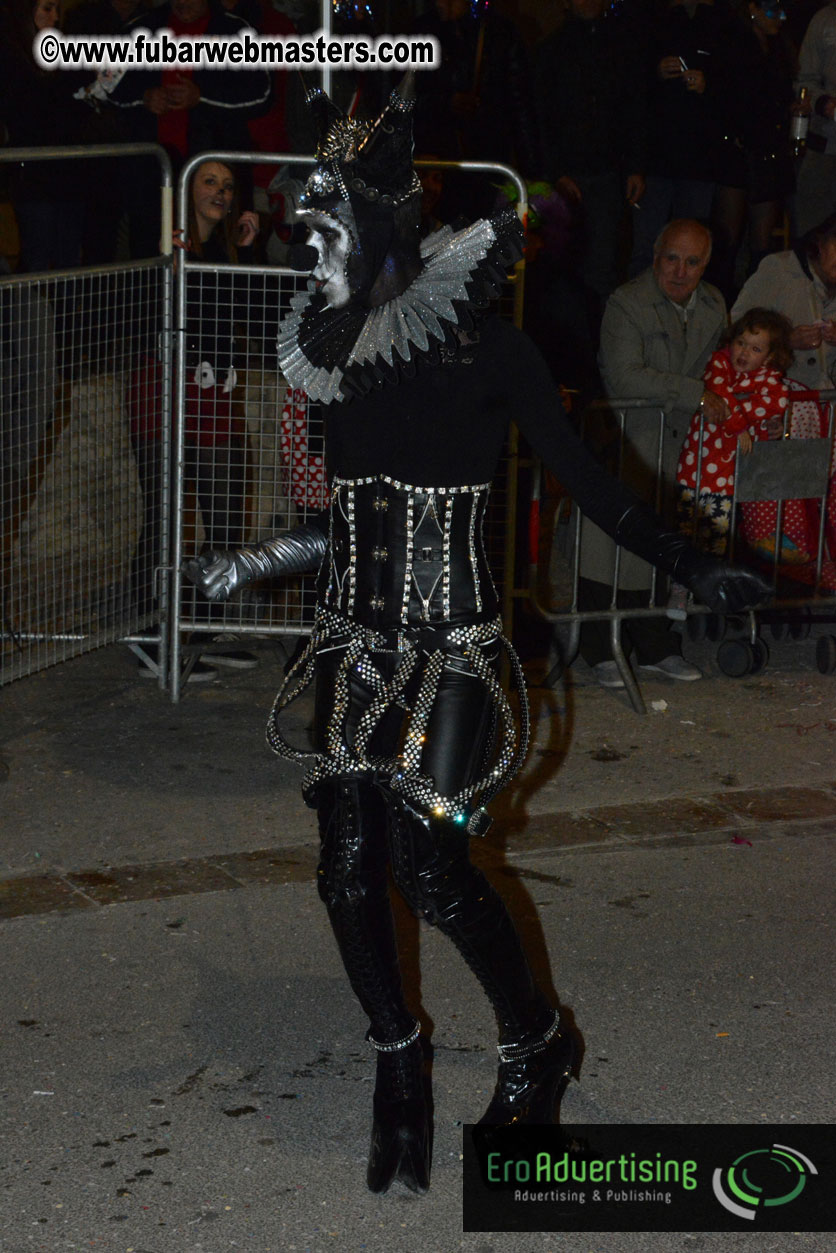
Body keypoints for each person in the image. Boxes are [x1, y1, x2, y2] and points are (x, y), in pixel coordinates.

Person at [183, 80, 767, 1194]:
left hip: (451, 653)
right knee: (347, 873)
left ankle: (535, 1038)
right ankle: (396, 1056)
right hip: (352, 645)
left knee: (430, 869)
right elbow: (347, 519)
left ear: (383, 220)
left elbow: (586, 477)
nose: (312, 244)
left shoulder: (489, 352)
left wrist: (689, 561)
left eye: (329, 221)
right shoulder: (335, 356)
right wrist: (247, 562)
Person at [583, 218, 728, 687]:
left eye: (692, 261)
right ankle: (600, 648)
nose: (680, 271)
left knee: (665, 544)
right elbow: (625, 378)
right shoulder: (626, 304)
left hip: (686, 445)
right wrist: (696, 394)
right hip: (628, 439)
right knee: (609, 547)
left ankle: (656, 646)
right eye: (672, 258)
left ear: (706, 264)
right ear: (654, 255)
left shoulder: (713, 305)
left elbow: (721, 372)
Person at [129, 159, 260, 679]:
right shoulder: (167, 239)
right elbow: (176, 308)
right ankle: (149, 638)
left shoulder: (224, 247)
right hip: (168, 386)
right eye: (211, 182)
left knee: (227, 516)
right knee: (165, 517)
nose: (222, 194)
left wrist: (247, 252)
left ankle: (198, 631)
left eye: (228, 187)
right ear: (187, 187)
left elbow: (249, 314)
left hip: (215, 393)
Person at [107, 0, 271, 258]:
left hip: (212, 169)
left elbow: (261, 94)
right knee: (150, 249)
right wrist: (144, 97)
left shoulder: (235, 31)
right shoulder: (141, 29)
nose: (183, 3)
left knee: (216, 250)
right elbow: (109, 88)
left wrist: (202, 97)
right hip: (153, 173)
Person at [673, 308, 792, 566]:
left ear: (770, 356)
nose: (744, 352)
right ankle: (680, 592)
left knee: (716, 540)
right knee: (684, 537)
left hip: (727, 477)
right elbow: (719, 393)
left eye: (755, 349)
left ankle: (708, 597)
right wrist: (739, 424)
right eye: (740, 343)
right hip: (694, 468)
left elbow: (774, 403)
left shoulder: (771, 380)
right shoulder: (718, 363)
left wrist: (745, 416)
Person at [629, 0, 735, 277]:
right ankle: (638, 316)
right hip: (655, 160)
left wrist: (707, 84)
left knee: (691, 249)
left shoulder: (721, 21)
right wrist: (657, 71)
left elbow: (737, 87)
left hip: (699, 161)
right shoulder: (649, 18)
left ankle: (683, 317)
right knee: (647, 247)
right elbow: (629, 88)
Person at [708, 0, 796, 303]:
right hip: (737, 152)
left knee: (762, 244)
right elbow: (724, 97)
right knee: (727, 241)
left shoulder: (780, 51)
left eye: (783, 11)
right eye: (773, 11)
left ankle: (755, 306)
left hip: (768, 153)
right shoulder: (734, 45)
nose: (780, 19)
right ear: (753, 9)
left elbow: (779, 98)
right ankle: (720, 305)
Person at [0, 0, 90, 272]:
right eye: (47, 9)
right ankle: (31, 314)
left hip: (67, 171)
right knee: (37, 255)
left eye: (57, 11)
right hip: (33, 173)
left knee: (68, 257)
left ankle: (65, 315)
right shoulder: (11, 54)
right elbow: (27, 113)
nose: (55, 18)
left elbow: (76, 108)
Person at [731, 211, 836, 390]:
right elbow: (736, 328)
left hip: (828, 404)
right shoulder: (779, 269)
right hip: (776, 398)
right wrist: (785, 340)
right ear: (820, 243)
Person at [794, 0, 836, 238]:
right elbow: (803, 79)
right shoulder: (824, 20)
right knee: (814, 229)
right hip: (826, 143)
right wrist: (823, 103)